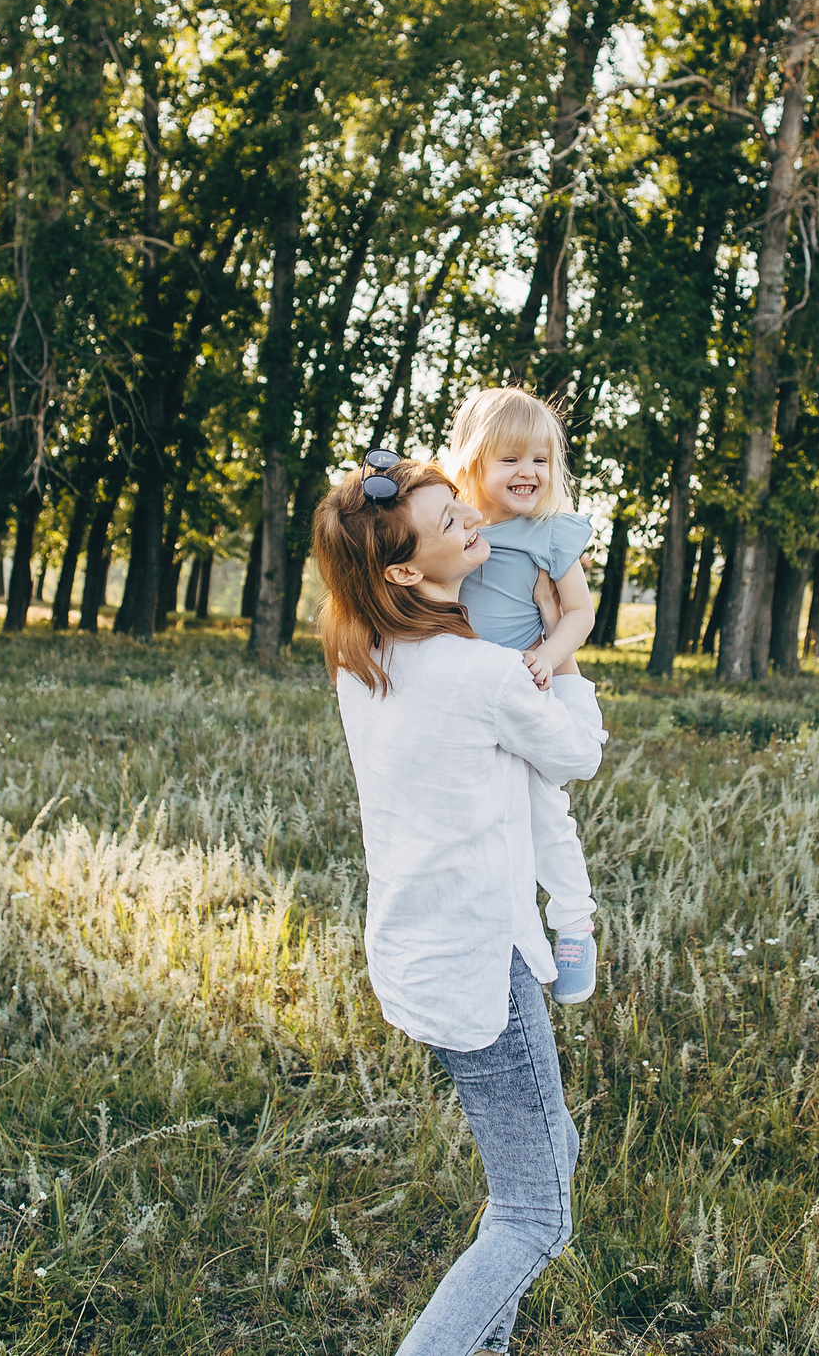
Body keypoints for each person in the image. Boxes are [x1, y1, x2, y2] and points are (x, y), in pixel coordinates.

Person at [313, 453, 605, 1356]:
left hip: (418, 950)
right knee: (537, 1212)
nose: (474, 523)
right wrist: (566, 650)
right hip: (487, 964)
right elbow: (577, 755)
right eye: (452, 524)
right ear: (404, 569)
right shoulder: (477, 674)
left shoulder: (364, 660)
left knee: (546, 1151)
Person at [443, 386, 601, 1002]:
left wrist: (549, 655)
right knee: (480, 810)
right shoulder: (451, 528)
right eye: (509, 459)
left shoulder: (549, 536)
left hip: (530, 684)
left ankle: (573, 920)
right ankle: (493, 919)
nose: (528, 471)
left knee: (545, 811)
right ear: (474, 463)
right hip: (469, 694)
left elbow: (580, 613)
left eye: (539, 459)